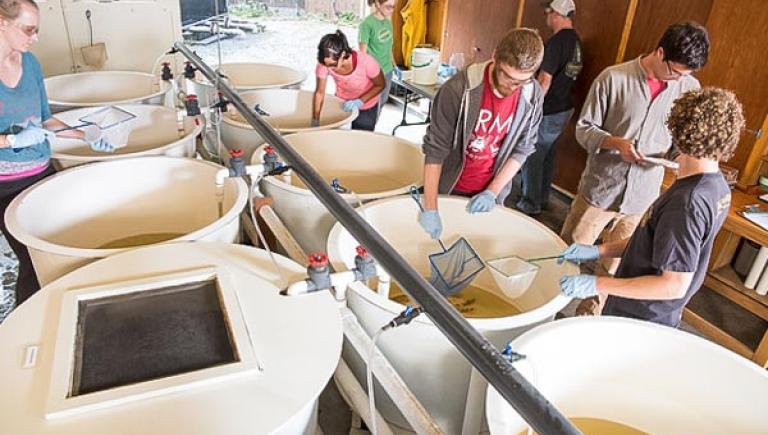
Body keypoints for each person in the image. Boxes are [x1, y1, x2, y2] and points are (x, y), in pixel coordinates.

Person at [558, 87, 743, 328]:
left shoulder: (687, 202)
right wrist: (599, 251)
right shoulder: (717, 186)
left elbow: (673, 284)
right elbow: (658, 243)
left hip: (641, 315)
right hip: (645, 308)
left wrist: (596, 284)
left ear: (679, 131)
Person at [560, 22, 709, 315]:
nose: (679, 79)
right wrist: (616, 143)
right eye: (675, 71)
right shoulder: (613, 79)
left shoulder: (689, 89)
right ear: (660, 51)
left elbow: (683, 142)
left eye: (686, 75)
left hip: (643, 198)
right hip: (599, 191)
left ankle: (588, 320)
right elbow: (583, 129)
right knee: (568, 251)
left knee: (615, 268)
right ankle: (547, 314)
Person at [0, 0, 112, 305]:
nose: (34, 37)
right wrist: (11, 142)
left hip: (42, 171)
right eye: (28, 29)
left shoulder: (31, 63)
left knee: (65, 247)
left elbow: (45, 118)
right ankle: (27, 319)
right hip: (5, 185)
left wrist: (86, 136)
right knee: (34, 260)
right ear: (2, 23)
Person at [418, 28, 544, 239]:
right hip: (451, 187)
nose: (512, 86)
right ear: (494, 56)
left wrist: (492, 191)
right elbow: (435, 150)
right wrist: (430, 207)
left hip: (490, 191)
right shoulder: (458, 89)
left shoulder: (532, 94)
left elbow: (523, 148)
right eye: (507, 75)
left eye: (520, 81)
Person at [516, 0, 582, 216]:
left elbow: (544, 80)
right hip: (564, 108)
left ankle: (530, 203)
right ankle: (542, 199)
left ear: (556, 14)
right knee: (547, 155)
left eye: (548, 12)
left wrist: (531, 109)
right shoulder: (575, 42)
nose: (546, 16)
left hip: (549, 108)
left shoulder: (555, 43)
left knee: (532, 154)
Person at [313, 30, 385, 131]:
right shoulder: (324, 64)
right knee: (336, 135)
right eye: (326, 64)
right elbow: (319, 93)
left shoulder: (366, 62)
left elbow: (381, 85)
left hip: (366, 104)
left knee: (360, 138)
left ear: (343, 54)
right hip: (342, 102)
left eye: (333, 64)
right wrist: (316, 120)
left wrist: (359, 102)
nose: (329, 68)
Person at [359, 0, 400, 116]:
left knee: (383, 101)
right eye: (388, 7)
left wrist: (395, 65)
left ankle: (373, 126)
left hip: (387, 70)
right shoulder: (367, 24)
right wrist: (364, 74)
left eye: (393, 7)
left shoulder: (388, 23)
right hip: (374, 73)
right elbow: (363, 52)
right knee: (372, 105)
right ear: (377, 4)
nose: (391, 10)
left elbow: (389, 48)